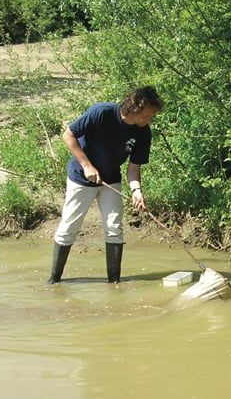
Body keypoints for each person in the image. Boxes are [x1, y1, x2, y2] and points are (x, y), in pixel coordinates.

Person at [48, 86, 163, 284]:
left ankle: (114, 283)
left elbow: (134, 168)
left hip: (111, 179)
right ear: (134, 108)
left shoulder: (144, 133)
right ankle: (54, 280)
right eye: (147, 115)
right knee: (69, 227)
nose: (149, 120)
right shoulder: (101, 112)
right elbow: (68, 135)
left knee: (114, 227)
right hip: (81, 178)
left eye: (151, 116)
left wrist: (136, 191)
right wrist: (87, 166)